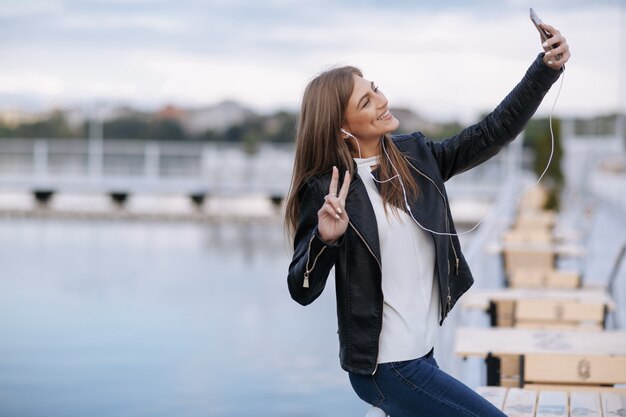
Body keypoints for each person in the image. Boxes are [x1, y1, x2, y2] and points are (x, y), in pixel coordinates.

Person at [285, 21, 570, 417]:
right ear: (342, 127)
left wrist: (545, 69)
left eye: (375, 90)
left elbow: (493, 131)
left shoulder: (414, 156)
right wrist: (325, 238)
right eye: (366, 103)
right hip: (385, 368)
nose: (381, 101)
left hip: (423, 353)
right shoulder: (329, 190)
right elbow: (301, 288)